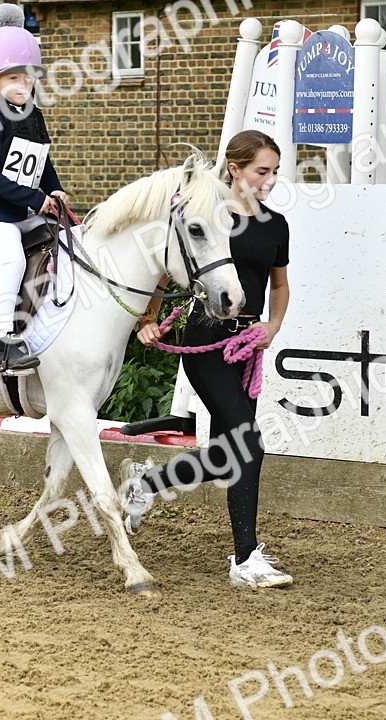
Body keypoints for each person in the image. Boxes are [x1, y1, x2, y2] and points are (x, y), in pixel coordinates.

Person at [119, 129, 292, 588]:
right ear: (234, 169)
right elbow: (164, 269)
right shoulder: (207, 220)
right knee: (248, 445)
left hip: (248, 345)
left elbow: (279, 285)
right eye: (262, 171)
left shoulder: (276, 225)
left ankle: (146, 484)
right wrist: (148, 319)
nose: (270, 180)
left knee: (226, 453)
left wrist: (271, 327)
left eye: (275, 171)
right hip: (207, 340)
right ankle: (245, 559)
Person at [0, 3, 69, 374]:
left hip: (22, 211)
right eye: (12, 78)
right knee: (13, 258)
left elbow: (42, 161)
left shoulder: (32, 114)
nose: (22, 85)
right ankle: (4, 341)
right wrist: (37, 199)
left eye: (28, 77)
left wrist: (54, 191)